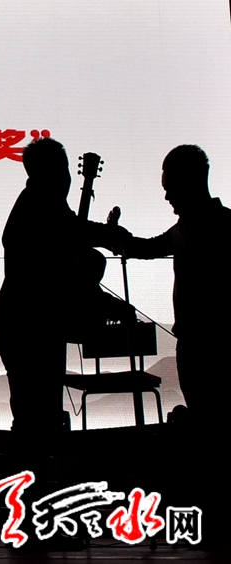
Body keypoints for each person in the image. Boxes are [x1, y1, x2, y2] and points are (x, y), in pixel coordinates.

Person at [122, 145, 231, 546]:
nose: (166, 195)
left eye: (170, 187)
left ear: (190, 182)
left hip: (211, 349)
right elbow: (145, 247)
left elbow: (145, 248)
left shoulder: (208, 229)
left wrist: (112, 237)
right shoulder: (199, 227)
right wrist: (117, 238)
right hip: (199, 347)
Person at [0, 137, 132, 439]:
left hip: (29, 326)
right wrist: (113, 236)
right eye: (63, 170)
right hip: (29, 328)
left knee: (35, 416)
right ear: (55, 172)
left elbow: (69, 263)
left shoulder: (37, 204)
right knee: (36, 417)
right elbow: (73, 242)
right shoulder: (41, 205)